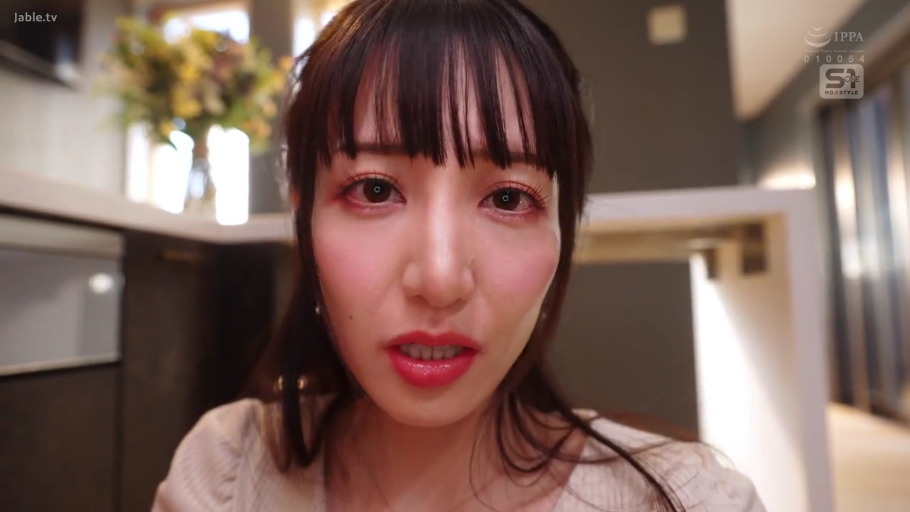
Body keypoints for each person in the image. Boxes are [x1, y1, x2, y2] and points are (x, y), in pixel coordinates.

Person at [152, 0, 765, 510]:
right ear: (303, 217)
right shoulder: (227, 475)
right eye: (375, 190)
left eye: (508, 197)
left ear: (564, 230)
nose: (441, 279)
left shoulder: (688, 500)